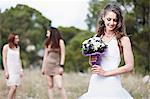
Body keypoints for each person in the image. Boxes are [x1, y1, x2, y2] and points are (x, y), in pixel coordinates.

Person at [79, 3, 134, 99]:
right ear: (103, 18)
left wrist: (105, 73)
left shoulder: (123, 39)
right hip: (96, 81)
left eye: (115, 20)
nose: (112, 23)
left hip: (112, 82)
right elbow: (92, 63)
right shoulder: (96, 38)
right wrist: (92, 59)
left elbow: (129, 66)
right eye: (109, 19)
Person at [41, 27, 67, 99]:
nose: (46, 34)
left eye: (48, 32)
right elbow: (45, 56)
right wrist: (43, 67)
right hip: (48, 66)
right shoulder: (48, 43)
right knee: (50, 85)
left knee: (60, 85)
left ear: (52, 33)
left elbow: (63, 54)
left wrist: (61, 66)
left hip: (56, 66)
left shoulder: (60, 41)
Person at [2, 33, 23, 99]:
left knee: (15, 88)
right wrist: (6, 71)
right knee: (13, 87)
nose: (18, 40)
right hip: (10, 70)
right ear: (12, 39)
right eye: (16, 38)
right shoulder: (6, 47)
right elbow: (4, 59)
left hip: (17, 70)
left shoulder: (18, 48)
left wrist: (21, 69)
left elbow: (19, 59)